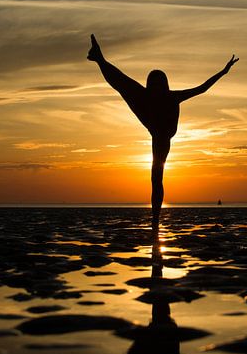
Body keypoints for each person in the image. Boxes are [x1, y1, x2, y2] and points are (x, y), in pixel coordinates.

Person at [87, 34, 239, 230]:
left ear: (165, 85)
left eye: (160, 84)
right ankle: (100, 58)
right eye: (154, 84)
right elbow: (120, 80)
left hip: (164, 133)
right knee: (124, 85)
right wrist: (101, 62)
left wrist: (223, 71)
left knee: (156, 177)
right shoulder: (146, 95)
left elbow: (202, 88)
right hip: (151, 119)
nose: (157, 87)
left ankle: (155, 219)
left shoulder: (172, 97)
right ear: (151, 85)